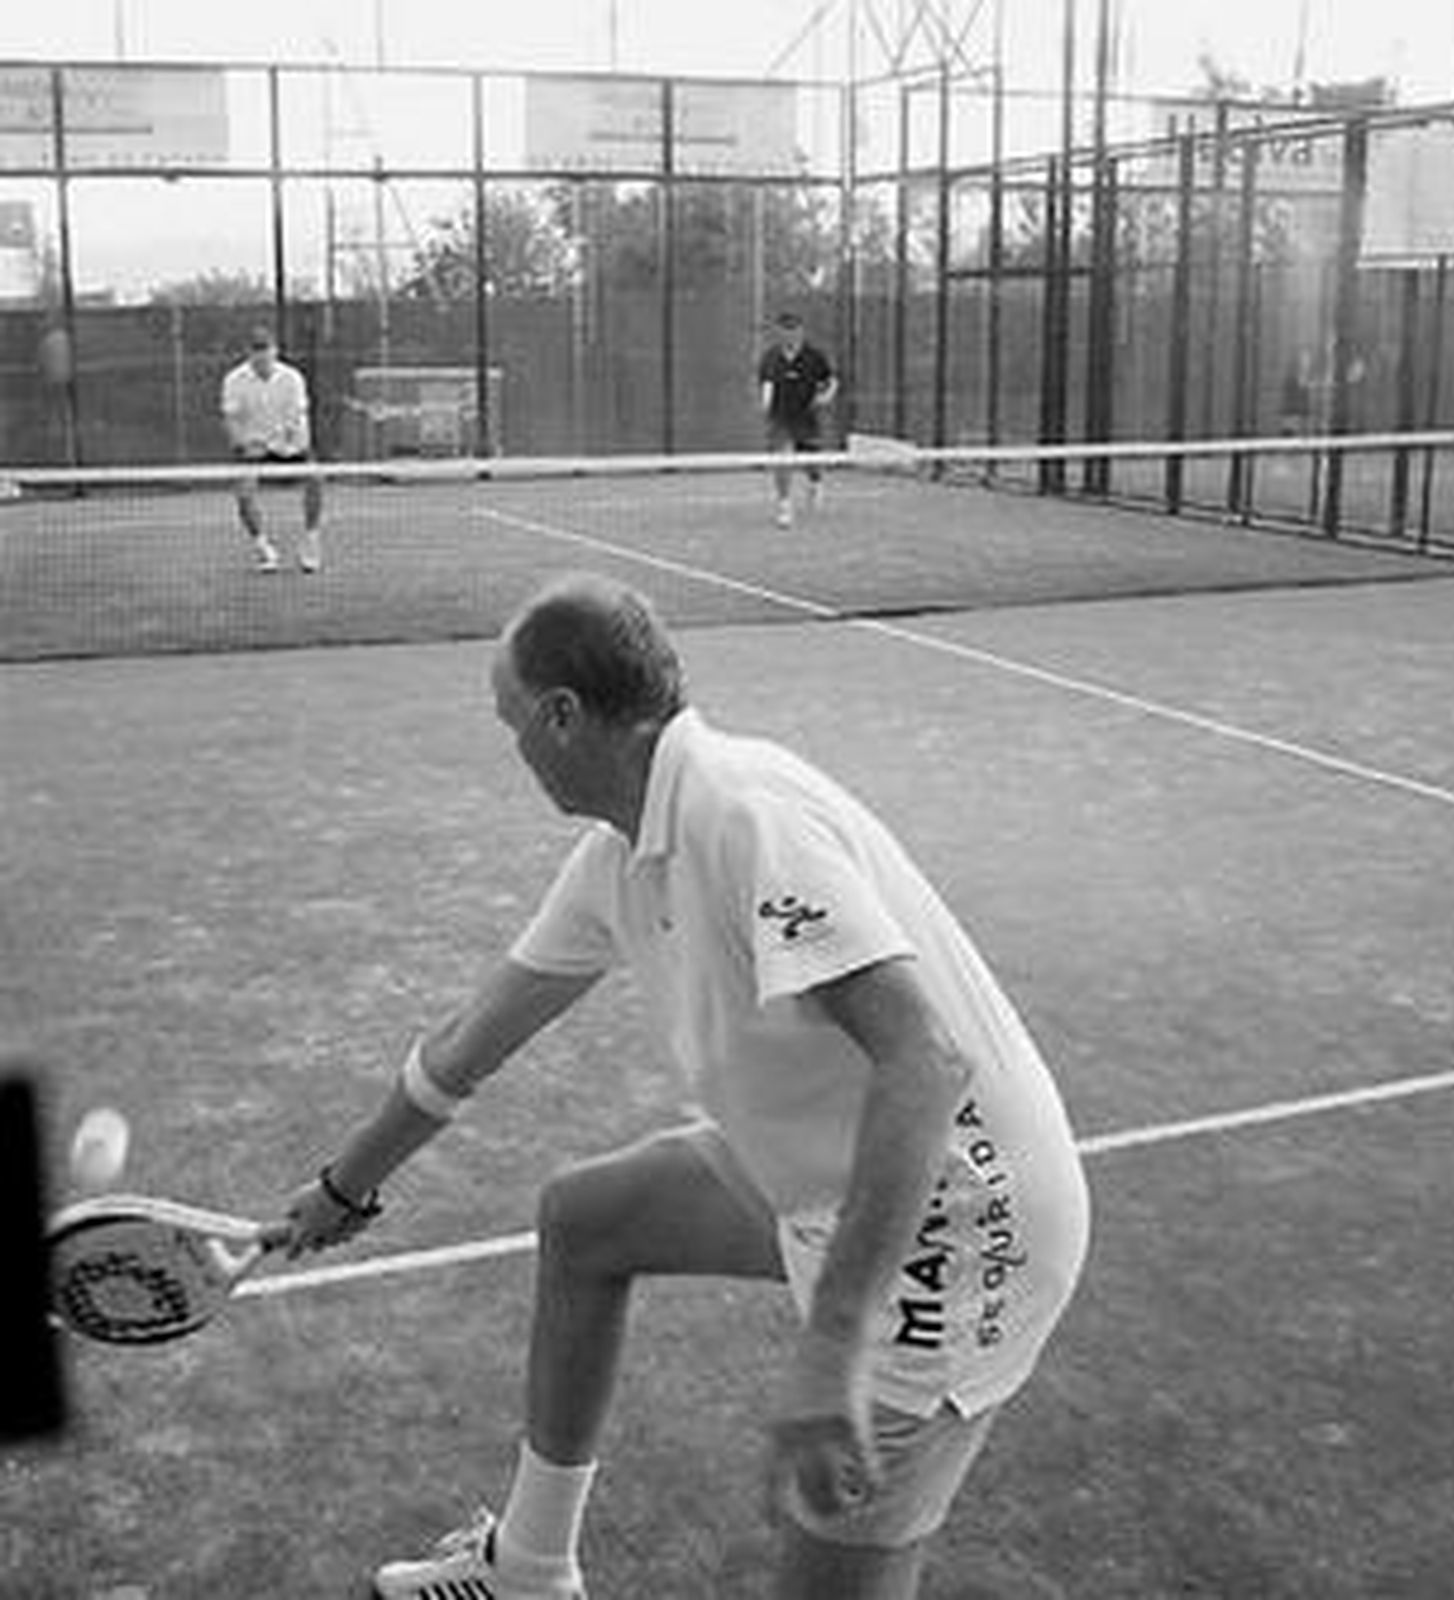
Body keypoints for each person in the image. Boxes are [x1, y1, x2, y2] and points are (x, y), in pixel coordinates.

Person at [281, 573, 1091, 1600]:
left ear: (562, 715)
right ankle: (529, 1567)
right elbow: (464, 1045)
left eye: (510, 720)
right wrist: (342, 1188)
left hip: (956, 1225)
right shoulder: (619, 857)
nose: (512, 745)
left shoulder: (741, 813)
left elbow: (924, 1064)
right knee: (588, 1219)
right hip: (826, 1172)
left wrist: (833, 1340)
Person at [220, 325, 324, 573]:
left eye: (265, 349)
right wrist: (243, 445)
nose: (262, 356)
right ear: (248, 353)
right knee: (243, 494)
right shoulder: (234, 380)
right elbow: (231, 420)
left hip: (290, 446)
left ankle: (311, 542)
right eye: (256, 350)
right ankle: (263, 548)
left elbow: (297, 419)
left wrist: (290, 441)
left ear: (275, 351)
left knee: (316, 479)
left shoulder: (292, 378)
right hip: (253, 449)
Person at [757, 311, 837, 528]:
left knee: (811, 461)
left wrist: (826, 397)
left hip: (807, 416)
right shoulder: (770, 357)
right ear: (778, 333)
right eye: (785, 331)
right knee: (782, 459)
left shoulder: (815, 356)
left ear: (801, 332)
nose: (789, 335)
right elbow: (766, 383)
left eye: (793, 330)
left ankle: (815, 482)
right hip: (780, 417)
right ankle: (784, 506)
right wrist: (765, 404)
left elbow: (831, 381)